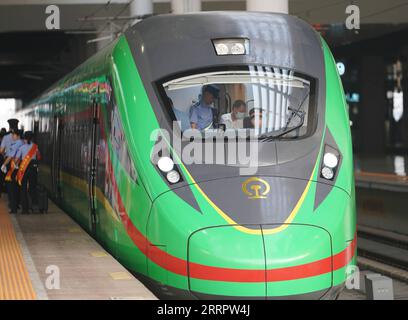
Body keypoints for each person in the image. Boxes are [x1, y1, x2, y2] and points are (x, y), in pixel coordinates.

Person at [15, 131, 41, 214]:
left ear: (24, 138)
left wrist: (16, 165)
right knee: (32, 188)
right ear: (32, 138)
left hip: (24, 169)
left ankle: (25, 210)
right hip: (33, 169)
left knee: (23, 189)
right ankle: (35, 207)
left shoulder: (21, 148)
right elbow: (39, 157)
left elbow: (16, 160)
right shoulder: (35, 147)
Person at [1, 128, 24, 213]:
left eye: (13, 135)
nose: (12, 136)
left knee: (11, 189)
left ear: (17, 136)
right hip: (19, 168)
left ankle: (13, 208)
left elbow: (10, 156)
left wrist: (3, 165)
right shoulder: (21, 142)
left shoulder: (16, 144)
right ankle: (16, 205)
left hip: (13, 168)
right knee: (17, 188)